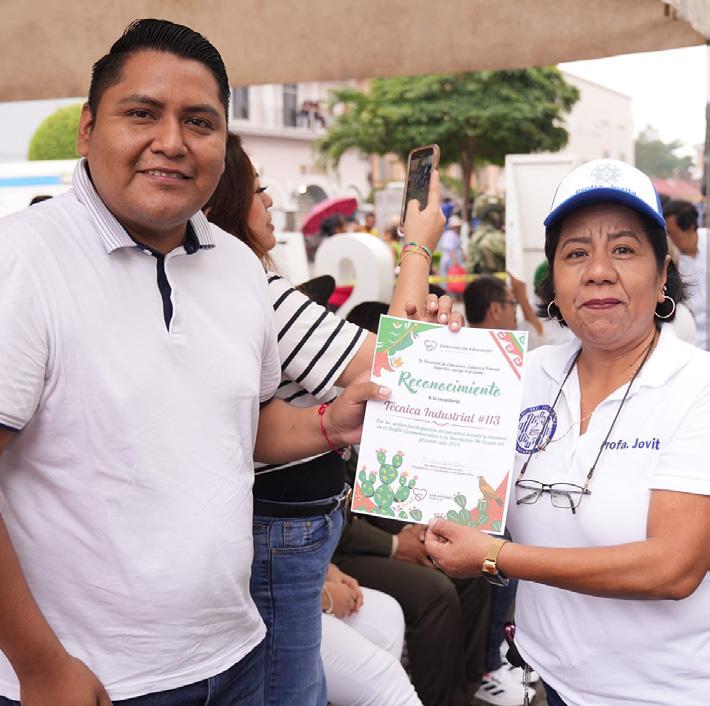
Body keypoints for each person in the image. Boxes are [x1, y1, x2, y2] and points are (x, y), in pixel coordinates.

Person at [0, 19, 385, 706]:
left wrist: (330, 424)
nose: (172, 142)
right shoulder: (24, 258)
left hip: (236, 656)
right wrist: (40, 664)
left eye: (199, 122)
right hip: (95, 680)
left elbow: (244, 425)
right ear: (88, 129)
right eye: (142, 113)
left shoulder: (238, 266)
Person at [426, 159, 710, 706]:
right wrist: (432, 355)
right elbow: (449, 498)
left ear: (662, 276)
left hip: (671, 692)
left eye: (623, 249)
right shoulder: (520, 375)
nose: (598, 270)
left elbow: (674, 567)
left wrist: (496, 557)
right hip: (549, 680)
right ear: (553, 281)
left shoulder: (698, 385)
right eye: (576, 253)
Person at [205, 133, 455, 705]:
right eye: (257, 190)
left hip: (292, 533)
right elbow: (397, 366)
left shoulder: (233, 288)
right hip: (280, 532)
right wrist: (417, 246)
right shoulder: (259, 292)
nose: (270, 201)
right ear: (225, 203)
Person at [320, 564, 423, 706]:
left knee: (386, 614)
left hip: (303, 582)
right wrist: (323, 594)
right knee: (390, 685)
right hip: (290, 609)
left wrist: (325, 569)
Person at [662, 199, 707, 349]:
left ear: (690, 228)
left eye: (672, 233)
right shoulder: (671, 261)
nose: (669, 238)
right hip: (694, 340)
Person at [468, 194, 506, 274]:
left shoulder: (476, 236)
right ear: (493, 214)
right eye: (501, 213)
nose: (503, 216)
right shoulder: (495, 238)